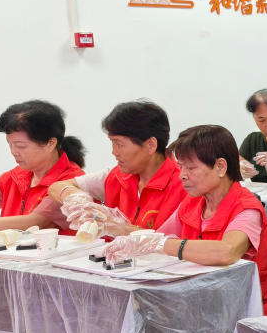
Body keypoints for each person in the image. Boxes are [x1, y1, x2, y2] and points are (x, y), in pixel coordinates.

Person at [103, 125, 267, 316]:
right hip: (203, 304)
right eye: (180, 166)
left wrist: (163, 244)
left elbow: (227, 252)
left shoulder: (246, 208)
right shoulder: (193, 203)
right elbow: (157, 237)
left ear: (220, 167)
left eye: (191, 168)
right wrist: (111, 227)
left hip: (247, 312)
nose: (182, 175)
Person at [46, 101, 187, 236]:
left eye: (119, 144)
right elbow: (56, 187)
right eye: (112, 143)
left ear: (151, 145)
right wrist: (75, 198)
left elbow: (169, 242)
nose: (114, 152)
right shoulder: (117, 176)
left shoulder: (184, 185)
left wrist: (117, 228)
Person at [0, 100, 85, 233]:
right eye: (10, 144)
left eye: (20, 146)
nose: (13, 151)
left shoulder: (72, 181)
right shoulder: (17, 176)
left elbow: (36, 222)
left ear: (50, 144)